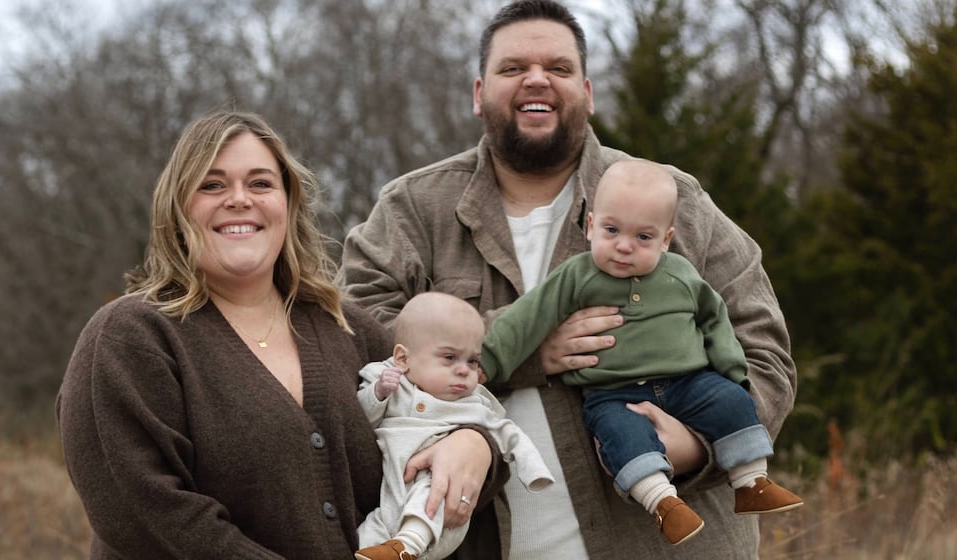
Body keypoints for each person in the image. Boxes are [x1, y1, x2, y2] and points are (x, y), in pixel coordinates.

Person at [339, 0, 797, 558]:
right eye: (513, 69)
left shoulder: (672, 199)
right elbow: (353, 339)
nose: (537, 79)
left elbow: (763, 350)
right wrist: (528, 350)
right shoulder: (412, 209)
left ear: (588, 92)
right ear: (479, 93)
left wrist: (699, 448)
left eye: (558, 68)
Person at [56, 110, 503, 559]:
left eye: (260, 184)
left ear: (288, 205)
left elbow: (444, 422)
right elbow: (142, 511)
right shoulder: (130, 337)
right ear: (177, 208)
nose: (239, 200)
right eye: (212, 185)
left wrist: (476, 444)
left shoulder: (345, 327)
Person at [479, 160, 802, 546]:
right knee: (620, 436)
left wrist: (729, 369)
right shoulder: (576, 276)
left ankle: (752, 481)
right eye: (612, 231)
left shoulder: (680, 274)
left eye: (643, 238)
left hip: (689, 382)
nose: (624, 246)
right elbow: (525, 321)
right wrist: (488, 362)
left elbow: (714, 317)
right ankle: (664, 503)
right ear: (591, 226)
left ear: (665, 241)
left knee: (732, 402)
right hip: (614, 394)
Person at [354, 292, 554, 560]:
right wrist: (378, 393)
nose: (464, 370)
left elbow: (509, 434)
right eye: (449, 357)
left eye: (472, 361)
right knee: (366, 538)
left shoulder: (475, 402)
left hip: (438, 500)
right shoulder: (386, 378)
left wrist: (534, 472)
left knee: (432, 490)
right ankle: (390, 549)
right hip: (390, 490)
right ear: (403, 358)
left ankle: (408, 546)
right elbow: (359, 421)